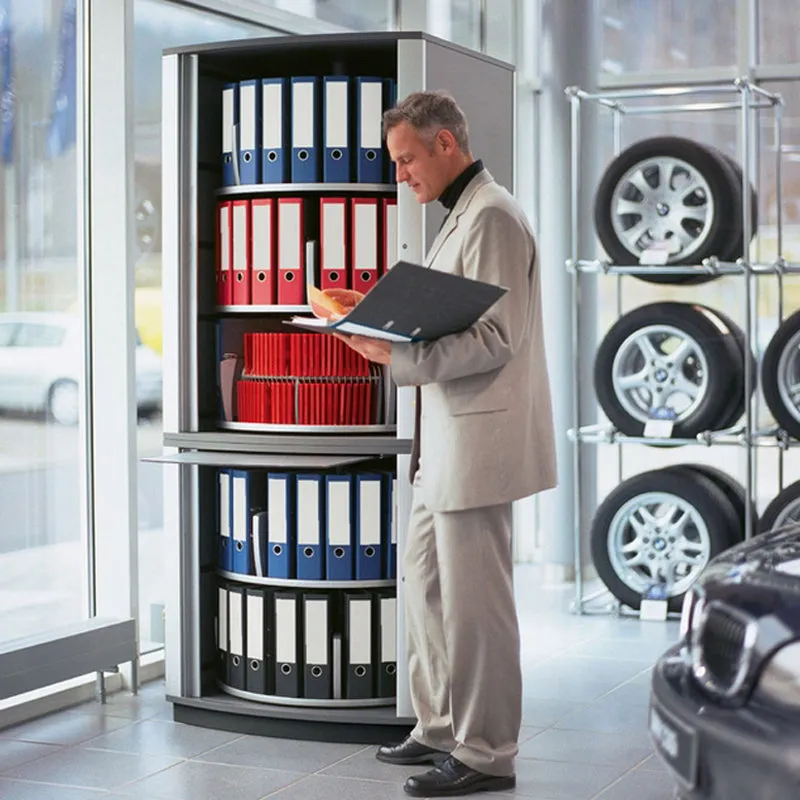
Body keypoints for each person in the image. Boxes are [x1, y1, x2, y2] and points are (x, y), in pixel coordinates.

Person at [327, 89, 557, 798]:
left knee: (477, 606)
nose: (400, 176)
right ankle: (438, 726)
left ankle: (487, 753)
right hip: (442, 444)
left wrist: (390, 358)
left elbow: (494, 337)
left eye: (406, 160)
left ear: (446, 144)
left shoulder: (492, 216)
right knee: (425, 591)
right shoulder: (460, 216)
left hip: (477, 447)